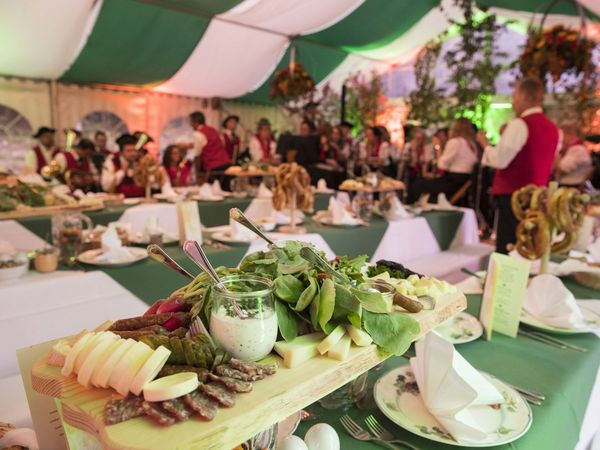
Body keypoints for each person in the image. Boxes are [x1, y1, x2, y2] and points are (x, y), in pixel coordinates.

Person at [477, 77, 560, 254]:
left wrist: (484, 145)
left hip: (513, 199)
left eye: (514, 96)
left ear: (523, 96)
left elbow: (500, 160)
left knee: (507, 249)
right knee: (528, 248)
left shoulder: (519, 124)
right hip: (538, 199)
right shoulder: (554, 129)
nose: (513, 102)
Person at [407, 119, 478, 203]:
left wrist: (439, 147)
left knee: (417, 185)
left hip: (454, 181)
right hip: (464, 180)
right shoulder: (471, 144)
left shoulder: (455, 142)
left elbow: (441, 165)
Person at [179, 112, 230, 179]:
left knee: (208, 188)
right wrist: (188, 146)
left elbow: (197, 154)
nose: (191, 125)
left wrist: (198, 173)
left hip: (213, 167)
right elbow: (209, 143)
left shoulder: (197, 134)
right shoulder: (213, 130)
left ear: (195, 123)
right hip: (226, 163)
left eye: (191, 123)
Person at [554, 120, 592, 187]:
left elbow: (561, 169)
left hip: (571, 188)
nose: (560, 139)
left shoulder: (578, 150)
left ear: (570, 134)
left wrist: (556, 151)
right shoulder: (571, 149)